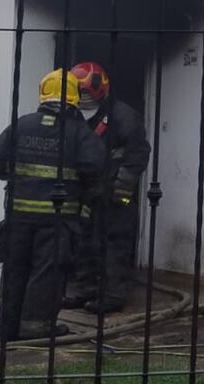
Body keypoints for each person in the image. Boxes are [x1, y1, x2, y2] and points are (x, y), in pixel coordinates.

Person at [0, 69, 106, 341]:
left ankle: (7, 327)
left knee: (15, 267)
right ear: (75, 98)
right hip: (58, 218)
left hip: (18, 215)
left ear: (43, 94)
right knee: (47, 271)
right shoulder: (79, 132)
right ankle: (35, 327)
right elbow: (96, 167)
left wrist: (20, 176)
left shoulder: (23, 124)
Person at [64, 61, 151, 314]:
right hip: (86, 192)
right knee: (83, 241)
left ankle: (113, 295)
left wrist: (121, 189)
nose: (84, 98)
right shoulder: (74, 114)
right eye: (79, 93)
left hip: (114, 193)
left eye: (87, 93)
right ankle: (85, 288)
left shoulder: (123, 116)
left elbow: (138, 153)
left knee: (115, 244)